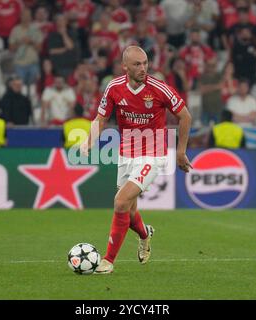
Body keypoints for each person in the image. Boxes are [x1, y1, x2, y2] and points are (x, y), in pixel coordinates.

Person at [80, 46, 192, 274]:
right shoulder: (113, 87)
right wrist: (89, 141)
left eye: (145, 63)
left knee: (120, 202)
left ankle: (108, 261)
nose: (143, 68)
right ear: (125, 67)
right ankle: (145, 234)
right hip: (126, 153)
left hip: (153, 154)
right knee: (129, 211)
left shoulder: (159, 88)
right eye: (137, 64)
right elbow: (100, 119)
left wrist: (180, 152)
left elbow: (185, 116)